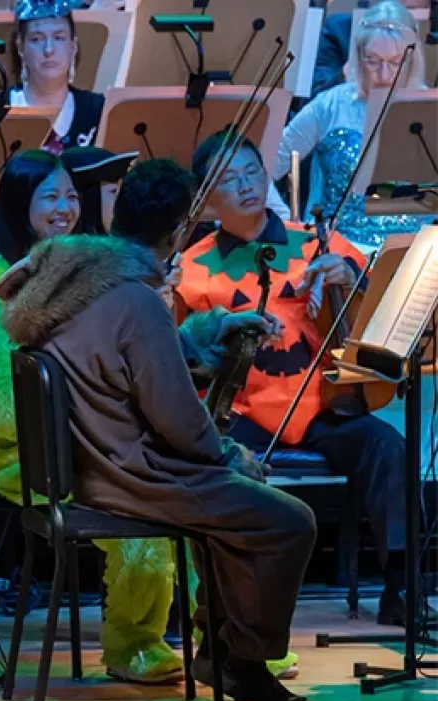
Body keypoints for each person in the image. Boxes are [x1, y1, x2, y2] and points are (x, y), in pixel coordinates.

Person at [0, 232, 318, 701]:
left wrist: (202, 337)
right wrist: (227, 454)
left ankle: (221, 654)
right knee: (289, 522)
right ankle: (241, 662)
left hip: (91, 472)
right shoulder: (135, 303)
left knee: (242, 508)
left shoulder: (61, 302)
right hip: (136, 476)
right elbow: (181, 423)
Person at [178, 130, 425, 627]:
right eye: (229, 179)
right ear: (205, 199)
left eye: (252, 171)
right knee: (210, 461)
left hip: (319, 401)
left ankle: (404, 588)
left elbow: (376, 312)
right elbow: (184, 356)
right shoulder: (192, 266)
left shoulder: (317, 240)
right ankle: (220, 603)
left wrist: (350, 281)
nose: (246, 185)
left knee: (387, 448)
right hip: (242, 407)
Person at [0, 150, 194, 684]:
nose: (65, 207)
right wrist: (91, 427)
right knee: (146, 517)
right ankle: (133, 644)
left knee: (200, 494)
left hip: (93, 442)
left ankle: (228, 638)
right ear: (21, 205)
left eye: (71, 195)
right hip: (29, 454)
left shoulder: (87, 273)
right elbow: (1, 410)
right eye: (50, 196)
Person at [272, 1, 431, 252]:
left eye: (395, 62)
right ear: (358, 56)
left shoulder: (430, 107)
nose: (384, 73)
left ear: (412, 59)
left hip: (416, 254)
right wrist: (292, 226)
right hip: (342, 253)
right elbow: (265, 164)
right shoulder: (332, 104)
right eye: (373, 61)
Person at [0, 0, 103, 154]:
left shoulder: (97, 111)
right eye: (37, 39)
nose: (49, 50)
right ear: (21, 48)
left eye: (59, 38)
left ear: (73, 47)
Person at [311, 0, 432, 94]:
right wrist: (348, 73)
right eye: (373, 60)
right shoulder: (339, 29)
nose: (384, 75)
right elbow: (315, 99)